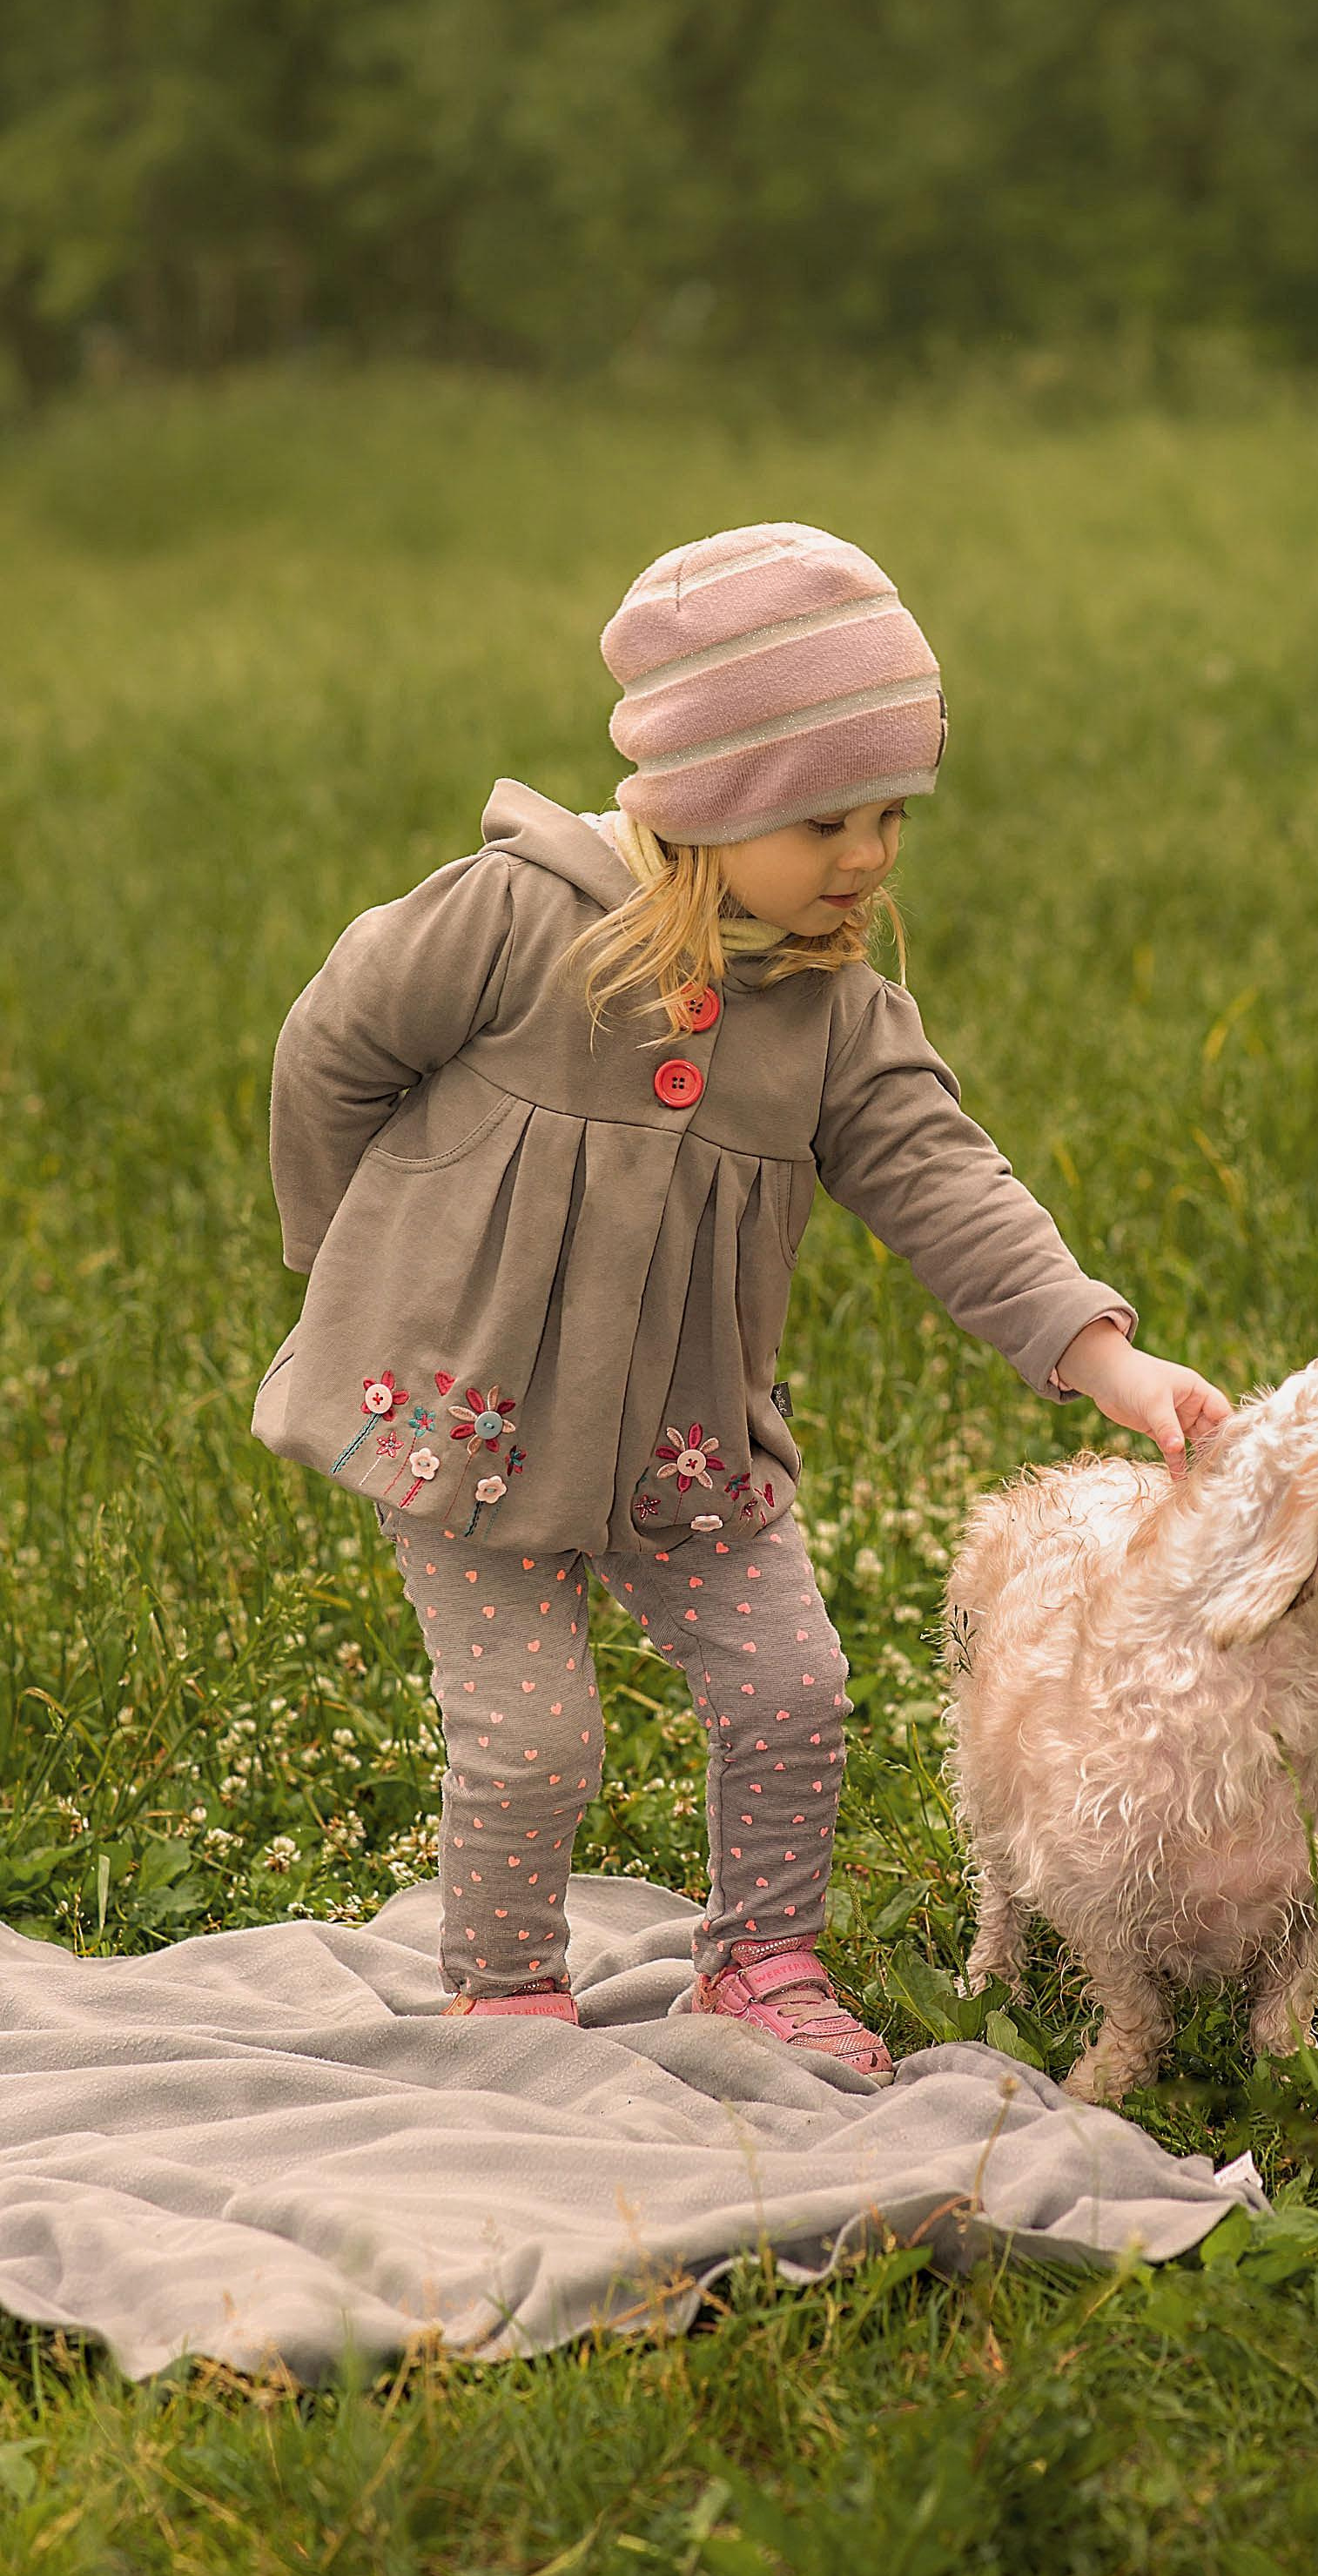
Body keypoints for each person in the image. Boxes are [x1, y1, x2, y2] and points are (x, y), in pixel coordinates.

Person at [252, 521, 1233, 2073]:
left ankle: (758, 1960)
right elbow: (334, 1049)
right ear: (703, 805)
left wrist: (1099, 1353)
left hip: (683, 1442)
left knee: (792, 1687)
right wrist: (348, 1263)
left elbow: (942, 1177)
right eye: (825, 818)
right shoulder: (515, 917)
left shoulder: (832, 1010)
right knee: (534, 1738)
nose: (867, 857)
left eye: (890, 815)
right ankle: (507, 1990)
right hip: (464, 1418)